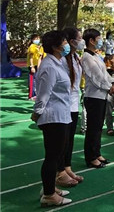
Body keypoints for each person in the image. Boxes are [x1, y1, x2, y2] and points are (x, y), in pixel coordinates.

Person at [31, 30, 72, 207]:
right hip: (52, 116)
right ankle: (49, 195)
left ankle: (50, 188)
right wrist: (37, 112)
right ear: (55, 47)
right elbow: (43, 94)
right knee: (52, 157)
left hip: (61, 114)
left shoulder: (58, 62)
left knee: (56, 155)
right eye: (64, 42)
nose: (66, 44)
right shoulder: (49, 66)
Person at [81, 29, 114, 168]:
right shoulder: (86, 57)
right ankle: (90, 157)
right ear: (91, 40)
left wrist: (113, 82)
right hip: (93, 96)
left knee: (98, 127)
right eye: (99, 38)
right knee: (93, 128)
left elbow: (105, 74)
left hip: (101, 95)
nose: (101, 41)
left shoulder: (95, 56)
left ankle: (97, 153)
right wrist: (109, 86)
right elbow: (96, 77)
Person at [56, 27, 85, 188]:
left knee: (70, 139)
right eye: (78, 38)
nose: (81, 41)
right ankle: (59, 171)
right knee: (62, 140)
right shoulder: (61, 60)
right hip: (64, 104)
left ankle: (67, 167)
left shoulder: (74, 57)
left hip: (73, 103)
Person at [27, 33, 44, 99]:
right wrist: (32, 66)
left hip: (38, 64)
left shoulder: (40, 47)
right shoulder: (32, 46)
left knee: (37, 79)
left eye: (38, 39)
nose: (37, 40)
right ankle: (31, 95)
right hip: (32, 65)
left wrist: (39, 67)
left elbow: (40, 57)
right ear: (32, 40)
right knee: (32, 80)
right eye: (35, 39)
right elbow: (31, 57)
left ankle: (36, 93)